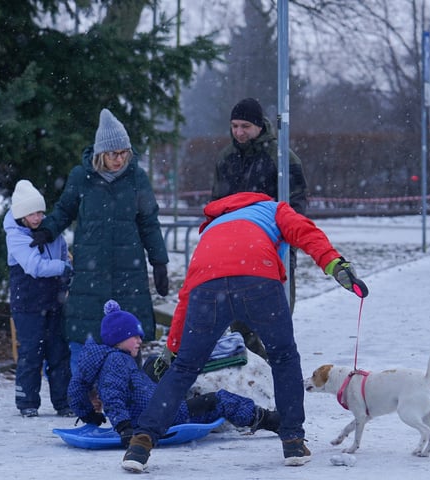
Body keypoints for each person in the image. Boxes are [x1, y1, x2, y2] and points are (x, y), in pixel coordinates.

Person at [121, 191, 369, 472]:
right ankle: (293, 441)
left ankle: (140, 443)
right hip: (258, 279)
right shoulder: (274, 209)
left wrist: (175, 348)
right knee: (283, 357)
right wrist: (335, 264)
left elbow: (187, 294)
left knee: (184, 368)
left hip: (208, 287)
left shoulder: (212, 229)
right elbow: (307, 234)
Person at [30, 109, 169, 370]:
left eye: (124, 153)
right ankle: (87, 390)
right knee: (88, 334)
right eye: (113, 154)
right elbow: (64, 210)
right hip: (90, 272)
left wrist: (159, 262)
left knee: (128, 337)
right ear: (100, 153)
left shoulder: (137, 178)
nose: (120, 159)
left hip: (128, 272)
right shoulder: (81, 177)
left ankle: (127, 388)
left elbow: (149, 221)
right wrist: (47, 230)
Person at [68, 300, 280, 446]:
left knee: (153, 362)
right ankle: (269, 419)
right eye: (135, 337)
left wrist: (89, 415)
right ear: (118, 338)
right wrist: (124, 429)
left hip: (156, 410)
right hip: (165, 416)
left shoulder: (108, 358)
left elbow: (79, 386)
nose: (140, 341)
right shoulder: (116, 360)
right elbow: (112, 395)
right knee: (220, 400)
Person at [211, 97, 309, 360]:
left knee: (276, 321)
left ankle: (280, 372)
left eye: (245, 126)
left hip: (274, 249)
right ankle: (253, 371)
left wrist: (283, 235)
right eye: (234, 126)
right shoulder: (225, 158)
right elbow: (216, 203)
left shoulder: (282, 158)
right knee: (240, 325)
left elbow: (297, 204)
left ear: (259, 126)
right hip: (235, 251)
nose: (239, 132)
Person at [3, 179, 73, 418]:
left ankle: (63, 401)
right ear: (21, 214)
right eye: (32, 214)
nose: (37, 218)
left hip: (53, 301)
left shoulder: (50, 231)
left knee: (58, 352)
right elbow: (34, 266)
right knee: (31, 352)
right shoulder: (15, 237)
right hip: (27, 304)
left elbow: (62, 251)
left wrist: (65, 269)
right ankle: (27, 401)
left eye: (40, 212)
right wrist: (63, 268)